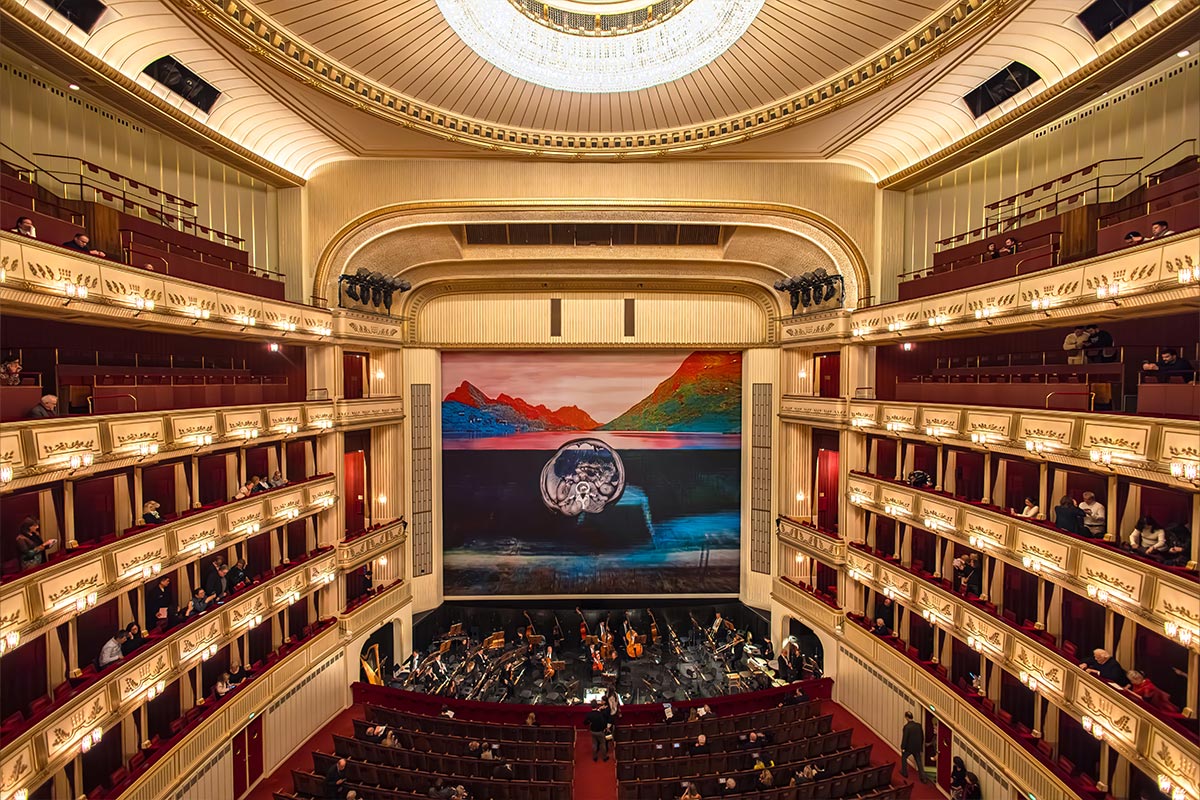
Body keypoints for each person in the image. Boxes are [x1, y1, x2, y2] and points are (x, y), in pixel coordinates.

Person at [899, 711, 927, 783]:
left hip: (909, 748)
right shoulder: (918, 725)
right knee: (919, 762)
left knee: (904, 757)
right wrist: (920, 747)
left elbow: (905, 738)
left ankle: (904, 772)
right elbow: (922, 737)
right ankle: (923, 778)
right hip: (917, 747)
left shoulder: (907, 727)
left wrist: (902, 747)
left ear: (907, 717)